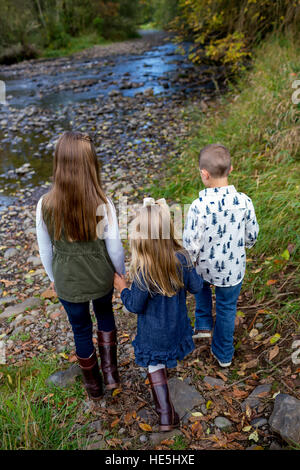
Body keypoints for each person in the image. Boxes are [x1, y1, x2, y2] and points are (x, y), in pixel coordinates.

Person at [36, 131, 125, 401]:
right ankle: (110, 374)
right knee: (105, 315)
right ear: (91, 163)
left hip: (68, 281)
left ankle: (93, 387)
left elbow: (45, 250)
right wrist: (120, 273)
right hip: (100, 278)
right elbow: (115, 248)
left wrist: (54, 277)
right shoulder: (102, 202)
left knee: (81, 328)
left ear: (58, 164)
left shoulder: (45, 204)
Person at [114, 198, 202, 431]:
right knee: (165, 354)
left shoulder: (145, 270)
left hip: (153, 334)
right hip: (176, 327)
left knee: (154, 364)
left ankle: (166, 416)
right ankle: (167, 411)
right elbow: (195, 286)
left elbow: (134, 306)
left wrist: (122, 288)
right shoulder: (182, 257)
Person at [183, 144, 259, 367]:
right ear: (231, 169)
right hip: (232, 269)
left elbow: (190, 243)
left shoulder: (199, 206)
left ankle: (204, 323)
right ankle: (224, 353)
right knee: (227, 307)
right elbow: (252, 235)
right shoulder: (244, 202)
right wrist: (244, 244)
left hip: (205, 266)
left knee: (201, 288)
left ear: (204, 174)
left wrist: (190, 260)